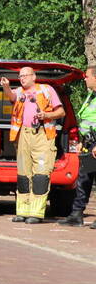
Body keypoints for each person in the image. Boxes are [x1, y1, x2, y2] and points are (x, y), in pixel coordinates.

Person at [1, 66, 65, 223]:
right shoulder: (19, 92)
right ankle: (22, 211)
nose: (22, 78)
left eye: (25, 75)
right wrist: (6, 87)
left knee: (40, 177)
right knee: (23, 175)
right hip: (24, 135)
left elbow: (61, 112)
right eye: (20, 76)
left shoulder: (46, 90)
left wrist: (46, 115)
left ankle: (36, 213)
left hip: (43, 135)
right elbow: (11, 96)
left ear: (33, 77)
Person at [60, 65, 96, 227]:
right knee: (84, 179)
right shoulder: (91, 96)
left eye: (87, 76)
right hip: (89, 142)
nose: (85, 79)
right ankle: (76, 214)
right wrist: (83, 140)